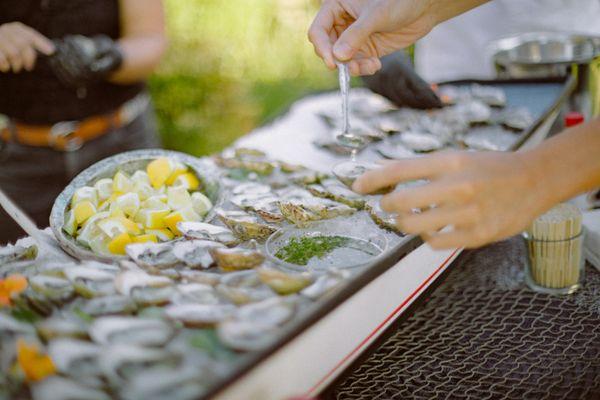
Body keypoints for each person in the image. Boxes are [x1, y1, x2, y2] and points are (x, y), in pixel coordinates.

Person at [308, 0, 600, 250]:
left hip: (563, 43)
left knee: (568, 224)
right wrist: (423, 6)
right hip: (452, 46)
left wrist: (536, 176)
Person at [0, 0, 166, 245]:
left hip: (121, 145)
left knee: (147, 259)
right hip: (17, 161)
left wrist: (107, 55)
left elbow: (151, 39)